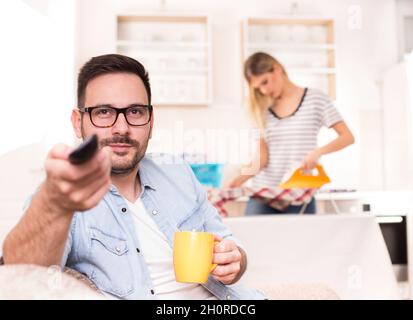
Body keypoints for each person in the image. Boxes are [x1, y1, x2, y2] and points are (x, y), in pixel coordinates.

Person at [1, 54, 265, 300]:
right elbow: (20, 278)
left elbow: (227, 240)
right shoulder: (59, 196)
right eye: (104, 112)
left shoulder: (177, 171)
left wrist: (236, 259)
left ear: (150, 121)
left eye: (135, 112)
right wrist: (53, 205)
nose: (121, 128)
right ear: (77, 121)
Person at [229, 52, 355, 215]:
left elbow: (347, 137)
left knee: (301, 241)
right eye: (259, 87)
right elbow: (262, 158)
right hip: (263, 195)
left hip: (299, 195)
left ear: (277, 69)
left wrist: (317, 153)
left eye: (265, 82)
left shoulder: (316, 99)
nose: (264, 90)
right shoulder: (262, 110)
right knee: (254, 241)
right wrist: (236, 181)